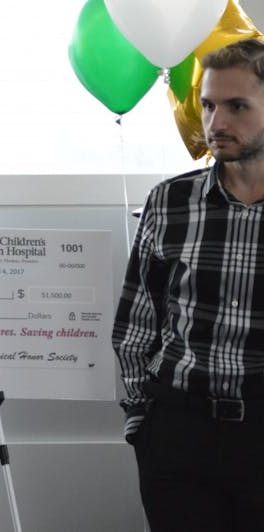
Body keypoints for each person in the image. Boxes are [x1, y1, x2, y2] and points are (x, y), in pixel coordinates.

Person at [113, 37, 264, 532]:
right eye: (208, 105)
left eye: (237, 106)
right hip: (178, 432)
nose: (216, 123)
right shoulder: (170, 201)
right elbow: (136, 321)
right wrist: (142, 421)